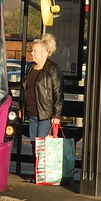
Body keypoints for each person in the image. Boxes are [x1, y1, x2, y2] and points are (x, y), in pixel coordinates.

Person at [23, 33, 63, 166]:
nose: (32, 53)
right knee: (35, 145)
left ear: (45, 53)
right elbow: (25, 89)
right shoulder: (30, 68)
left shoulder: (52, 69)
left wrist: (57, 114)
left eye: (35, 51)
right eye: (32, 50)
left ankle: (43, 172)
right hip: (32, 114)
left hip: (45, 114)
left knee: (43, 145)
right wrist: (21, 108)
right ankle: (38, 171)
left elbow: (58, 93)